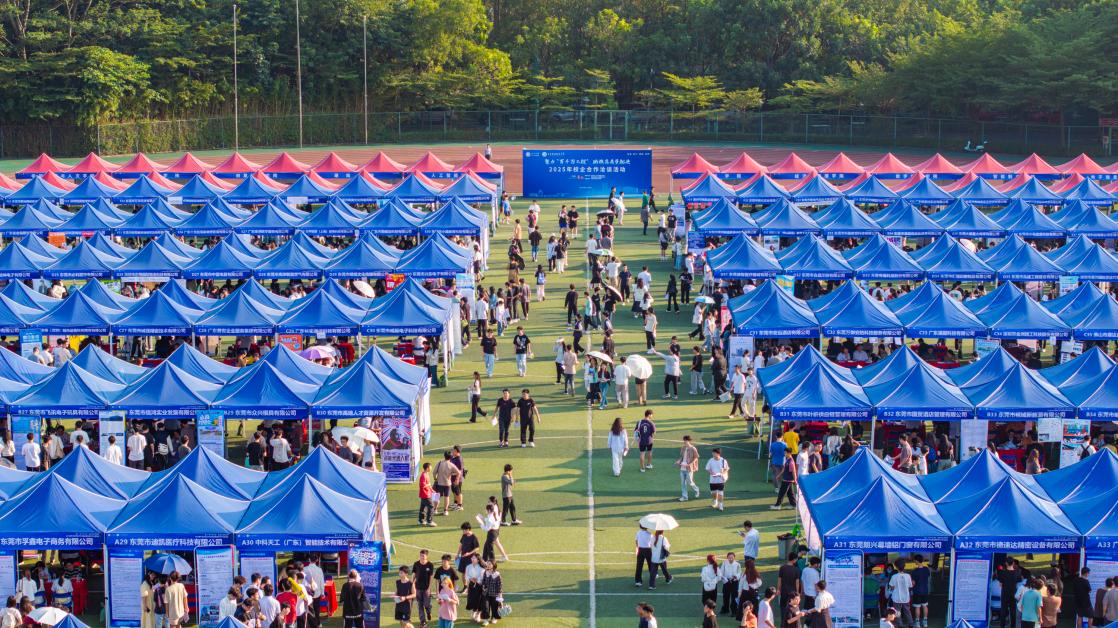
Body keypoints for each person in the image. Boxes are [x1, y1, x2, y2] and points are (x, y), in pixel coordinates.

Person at [412, 550, 435, 628]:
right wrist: (412, 584)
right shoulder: (416, 564)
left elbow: (431, 577)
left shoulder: (430, 565)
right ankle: (423, 621)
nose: (422, 557)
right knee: (420, 605)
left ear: (426, 556)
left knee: (426, 604)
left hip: (426, 589)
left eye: (423, 555)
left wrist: (429, 588)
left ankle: (428, 612)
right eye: (421, 555)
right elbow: (414, 574)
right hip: (418, 588)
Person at [888, 560, 914, 628]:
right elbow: (910, 586)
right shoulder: (908, 576)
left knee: (897, 612)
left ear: (896, 567)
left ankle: (900, 625)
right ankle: (911, 624)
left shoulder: (894, 576)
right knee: (907, 611)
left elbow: (891, 587)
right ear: (904, 566)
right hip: (906, 597)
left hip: (896, 597)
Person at [675, 435, 701, 502]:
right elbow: (682, 457)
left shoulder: (693, 448)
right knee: (683, 483)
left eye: (686, 440)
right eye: (684, 440)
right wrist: (678, 461)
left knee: (690, 482)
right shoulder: (683, 448)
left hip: (689, 468)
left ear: (689, 441)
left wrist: (690, 464)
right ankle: (685, 497)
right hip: (682, 468)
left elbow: (696, 457)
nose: (684, 441)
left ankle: (697, 490)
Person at [777, 553, 800, 620]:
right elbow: (797, 582)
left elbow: (779, 580)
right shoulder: (796, 570)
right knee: (792, 608)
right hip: (792, 593)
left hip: (784, 592)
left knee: (783, 608)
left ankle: (783, 622)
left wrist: (778, 589)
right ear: (794, 559)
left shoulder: (782, 568)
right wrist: (797, 593)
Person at [479, 562, 503, 626]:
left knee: (494, 607)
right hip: (486, 593)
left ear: (493, 565)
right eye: (487, 564)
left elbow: (499, 586)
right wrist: (483, 586)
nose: (488, 565)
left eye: (490, 564)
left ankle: (494, 618)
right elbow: (483, 581)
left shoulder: (497, 574)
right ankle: (485, 620)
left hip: (494, 594)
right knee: (485, 607)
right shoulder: (485, 572)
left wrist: (500, 598)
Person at [910, 555, 931, 628]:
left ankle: (917, 623)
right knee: (925, 606)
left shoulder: (914, 571)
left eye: (914, 560)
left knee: (917, 607)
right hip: (925, 591)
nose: (914, 561)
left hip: (917, 591)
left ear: (916, 561)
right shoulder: (926, 569)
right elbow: (927, 577)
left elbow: (913, 583)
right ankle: (925, 622)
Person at [463, 555, 484, 623]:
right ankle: (474, 611)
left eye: (474, 558)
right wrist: (470, 579)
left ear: (478, 560)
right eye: (472, 558)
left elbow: (482, 577)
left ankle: (478, 614)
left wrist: (477, 579)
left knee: (479, 600)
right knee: (472, 599)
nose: (472, 559)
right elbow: (466, 576)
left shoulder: (481, 567)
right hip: (471, 585)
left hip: (479, 585)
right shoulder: (468, 566)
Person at [418, 462, 436, 527]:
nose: (431, 468)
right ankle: (429, 521)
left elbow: (428, 484)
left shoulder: (426, 474)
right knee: (431, 507)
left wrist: (432, 490)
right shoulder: (423, 475)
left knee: (423, 507)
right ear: (427, 468)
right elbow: (423, 485)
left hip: (426, 494)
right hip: (425, 494)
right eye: (430, 467)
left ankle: (421, 520)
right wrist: (429, 485)